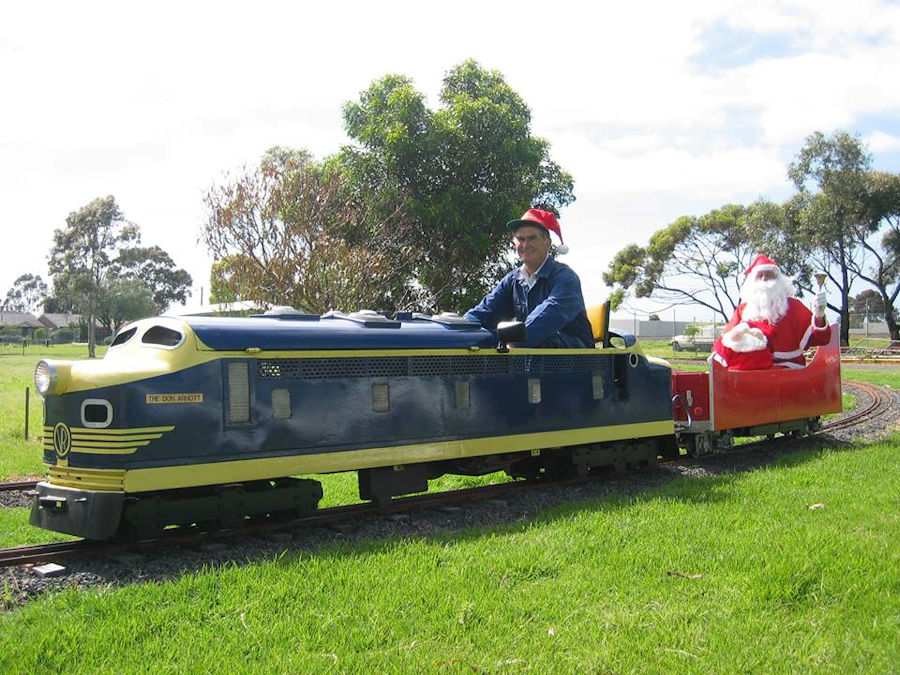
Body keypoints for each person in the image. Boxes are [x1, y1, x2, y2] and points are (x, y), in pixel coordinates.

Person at [464, 208, 594, 348]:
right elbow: (486, 312)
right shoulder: (513, 280)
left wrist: (513, 340)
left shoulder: (565, 278)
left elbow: (544, 320)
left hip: (576, 360)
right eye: (521, 239)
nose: (525, 245)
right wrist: (458, 330)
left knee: (539, 339)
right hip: (532, 355)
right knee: (483, 338)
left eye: (532, 238)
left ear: (548, 243)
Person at [713, 254, 830, 369]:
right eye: (760, 275)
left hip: (789, 371)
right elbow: (727, 342)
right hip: (750, 371)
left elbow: (819, 339)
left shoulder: (794, 306)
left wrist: (819, 315)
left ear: (779, 280)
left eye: (769, 275)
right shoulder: (743, 309)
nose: (764, 279)